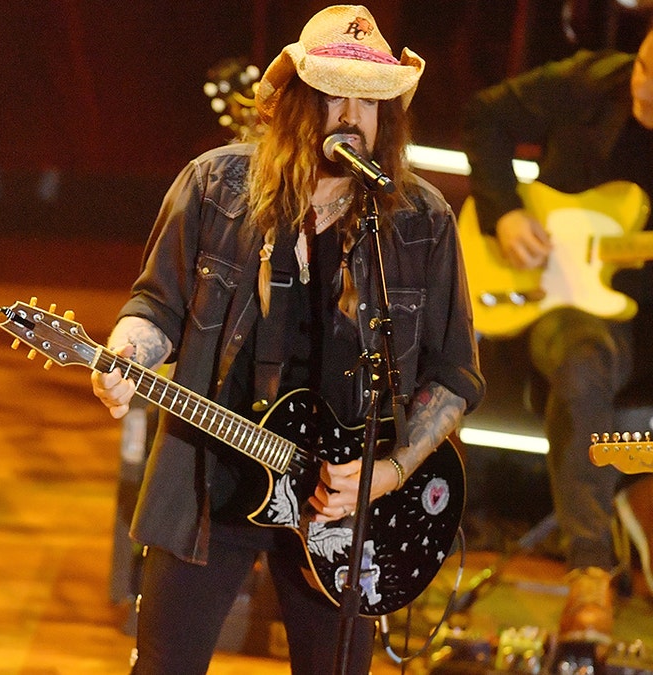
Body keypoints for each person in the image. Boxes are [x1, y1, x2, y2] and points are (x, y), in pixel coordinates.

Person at [91, 6, 484, 674]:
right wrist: (128, 355)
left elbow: (453, 375)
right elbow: (155, 307)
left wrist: (385, 474)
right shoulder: (216, 186)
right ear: (297, 102)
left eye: (371, 100)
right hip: (211, 483)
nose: (352, 115)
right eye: (335, 93)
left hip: (340, 505)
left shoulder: (421, 221)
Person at [462, 19, 653, 644]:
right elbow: (485, 115)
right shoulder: (596, 80)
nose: (644, 92)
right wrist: (506, 211)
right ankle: (591, 571)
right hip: (561, 303)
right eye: (647, 69)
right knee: (582, 364)